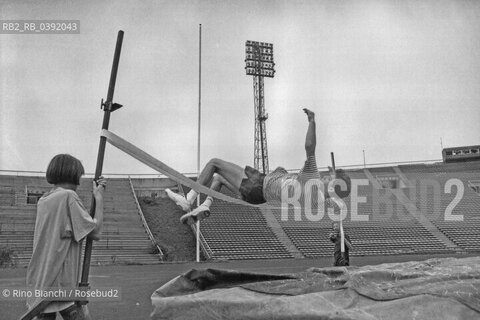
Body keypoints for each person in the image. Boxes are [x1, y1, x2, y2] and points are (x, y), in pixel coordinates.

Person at [166, 108, 351, 224]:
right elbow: (333, 202)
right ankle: (205, 205)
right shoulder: (318, 202)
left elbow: (310, 148)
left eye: (330, 178)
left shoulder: (313, 181)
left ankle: (189, 199)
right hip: (258, 198)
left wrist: (312, 122)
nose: (326, 176)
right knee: (218, 179)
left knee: (214, 163)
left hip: (258, 184)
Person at [25, 154, 107, 320]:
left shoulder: (44, 200)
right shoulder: (68, 196)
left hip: (40, 281)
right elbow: (96, 233)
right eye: (79, 175)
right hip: (59, 284)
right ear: (73, 174)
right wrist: (99, 197)